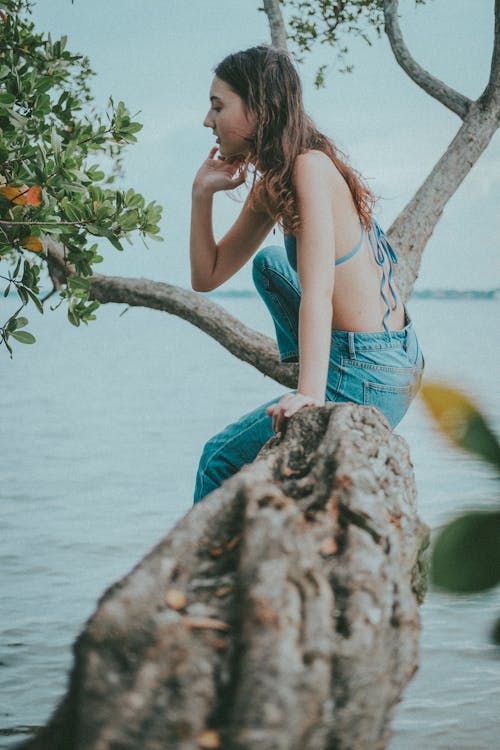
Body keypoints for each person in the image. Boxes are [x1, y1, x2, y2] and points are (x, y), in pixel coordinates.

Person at [190, 45, 424, 505]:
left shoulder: (309, 167)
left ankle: (209, 578)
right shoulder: (279, 181)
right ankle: (316, 369)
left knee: (217, 458)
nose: (207, 120)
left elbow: (319, 291)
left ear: (258, 108)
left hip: (371, 372)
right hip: (393, 352)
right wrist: (201, 195)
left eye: (218, 106)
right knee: (269, 263)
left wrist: (308, 397)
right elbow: (207, 275)